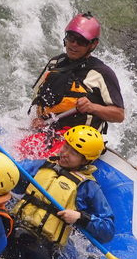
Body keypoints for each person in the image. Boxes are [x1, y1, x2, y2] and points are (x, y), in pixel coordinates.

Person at [0, 125, 115, 259]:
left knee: (22, 247)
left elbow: (108, 229)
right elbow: (11, 172)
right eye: (66, 146)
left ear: (85, 160)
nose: (65, 153)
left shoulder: (87, 187)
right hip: (14, 227)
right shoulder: (43, 166)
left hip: (41, 247)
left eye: (74, 152)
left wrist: (80, 217)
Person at [21, 12, 125, 157]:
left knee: (29, 158)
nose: (74, 45)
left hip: (78, 142)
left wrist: (92, 107)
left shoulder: (102, 73)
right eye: (71, 38)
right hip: (49, 132)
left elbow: (119, 115)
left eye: (81, 41)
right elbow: (40, 99)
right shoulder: (55, 63)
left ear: (93, 44)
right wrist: (38, 119)